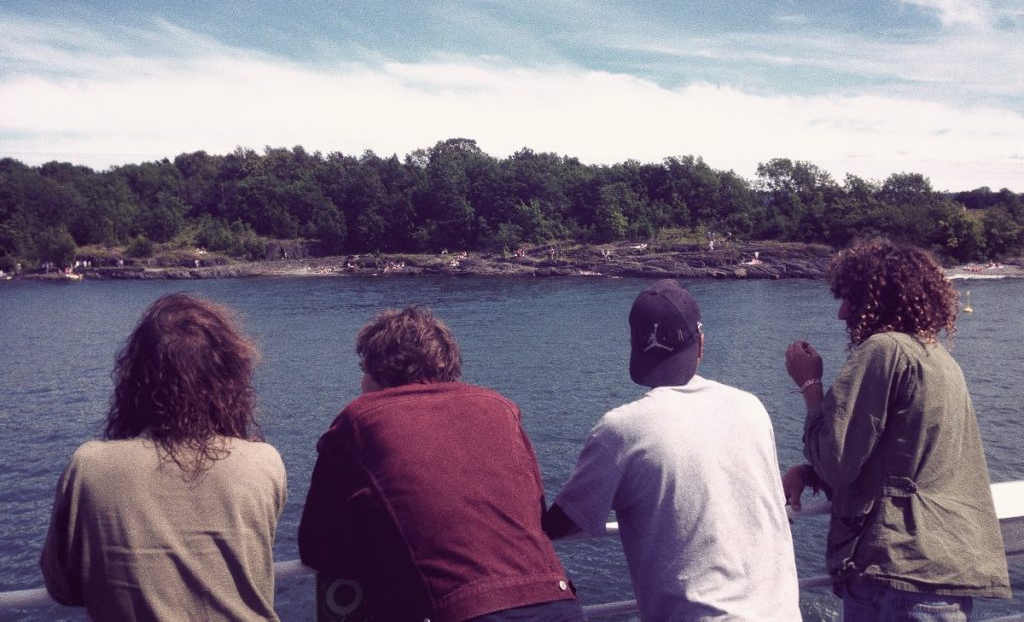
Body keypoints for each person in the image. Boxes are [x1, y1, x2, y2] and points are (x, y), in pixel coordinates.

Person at [298, 306, 584, 622]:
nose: (362, 381)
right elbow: (535, 515)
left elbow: (316, 545)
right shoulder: (500, 409)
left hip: (462, 612)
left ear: (379, 371)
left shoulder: (359, 420)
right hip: (558, 603)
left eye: (363, 369)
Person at [543, 279, 801, 621]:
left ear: (635, 349)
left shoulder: (621, 431)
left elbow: (562, 523)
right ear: (701, 343)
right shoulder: (751, 407)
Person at [782, 238, 1011, 621]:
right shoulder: (937, 358)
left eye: (850, 299)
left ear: (875, 301)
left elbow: (838, 463)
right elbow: (902, 463)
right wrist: (809, 475)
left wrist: (810, 387)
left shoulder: (884, 351)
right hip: (941, 570)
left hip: (897, 577)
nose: (841, 313)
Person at [40, 293, 287, 622]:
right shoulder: (263, 463)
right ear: (230, 379)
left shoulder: (89, 467)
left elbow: (63, 587)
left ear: (135, 379)